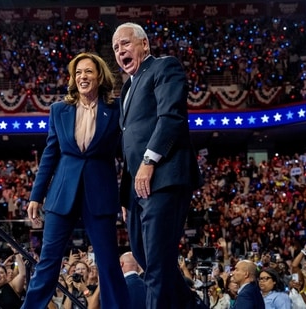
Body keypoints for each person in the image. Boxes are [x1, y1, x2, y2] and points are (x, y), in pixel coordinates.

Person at [21, 52, 129, 309]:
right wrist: (36, 195)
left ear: (99, 75)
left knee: (108, 263)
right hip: (62, 195)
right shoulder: (59, 110)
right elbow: (50, 154)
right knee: (48, 260)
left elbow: (127, 155)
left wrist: (125, 197)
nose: (83, 77)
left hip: (100, 196)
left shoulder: (115, 110)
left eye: (88, 71)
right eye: (78, 72)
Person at [112, 22, 202, 309]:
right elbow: (127, 144)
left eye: (125, 43)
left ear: (144, 45)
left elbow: (171, 118)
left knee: (157, 263)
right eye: (115, 48)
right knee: (147, 258)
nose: (119, 51)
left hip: (164, 178)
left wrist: (150, 160)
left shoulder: (164, 67)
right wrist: (127, 193)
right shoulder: (127, 88)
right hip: (136, 188)